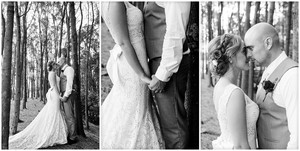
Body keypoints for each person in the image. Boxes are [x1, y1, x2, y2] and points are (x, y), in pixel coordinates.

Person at [101, 2, 164, 149]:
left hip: (139, 59)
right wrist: (141, 73)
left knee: (138, 106)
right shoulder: (114, 3)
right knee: (134, 107)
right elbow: (123, 42)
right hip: (132, 65)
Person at [143, 2, 191, 149]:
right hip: (159, 59)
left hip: (168, 63)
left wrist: (164, 73)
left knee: (173, 125)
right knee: (168, 123)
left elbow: (175, 32)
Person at [244, 22, 298, 149]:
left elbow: (298, 135)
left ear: (268, 43)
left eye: (251, 48)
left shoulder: (292, 76)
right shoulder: (268, 72)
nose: (248, 55)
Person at [208, 34, 259, 149]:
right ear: (231, 56)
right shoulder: (234, 93)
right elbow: (240, 146)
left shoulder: (220, 85)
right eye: (244, 51)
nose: (249, 55)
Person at [9, 61, 68, 149]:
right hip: (55, 94)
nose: (57, 66)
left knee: (54, 112)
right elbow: (54, 86)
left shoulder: (53, 73)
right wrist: (59, 96)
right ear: (52, 66)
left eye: (56, 64)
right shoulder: (52, 73)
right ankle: (51, 133)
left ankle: (54, 132)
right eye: (55, 64)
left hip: (55, 94)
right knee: (54, 112)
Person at [56, 56, 77, 144]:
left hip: (68, 95)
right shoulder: (62, 71)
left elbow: (69, 84)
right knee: (67, 116)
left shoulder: (69, 69)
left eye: (59, 61)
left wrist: (65, 96)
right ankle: (70, 134)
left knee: (69, 116)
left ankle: (73, 137)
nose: (58, 63)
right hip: (64, 94)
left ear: (63, 61)